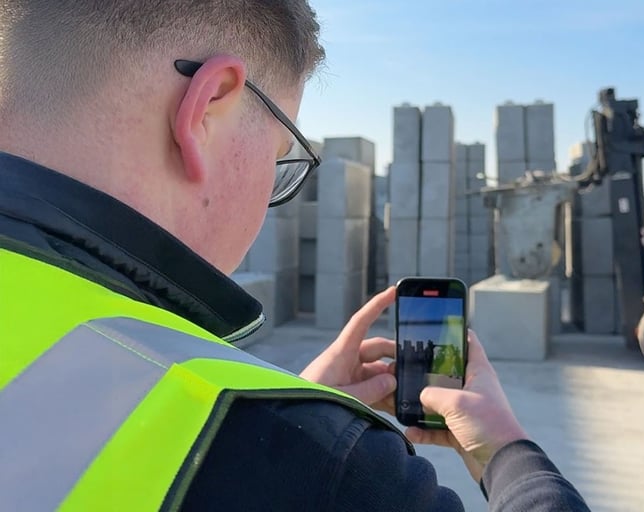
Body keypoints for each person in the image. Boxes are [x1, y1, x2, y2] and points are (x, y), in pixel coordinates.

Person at [0, 1, 590, 511]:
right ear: (207, 107)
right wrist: (504, 450)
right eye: (282, 154)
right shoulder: (329, 467)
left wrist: (286, 406)